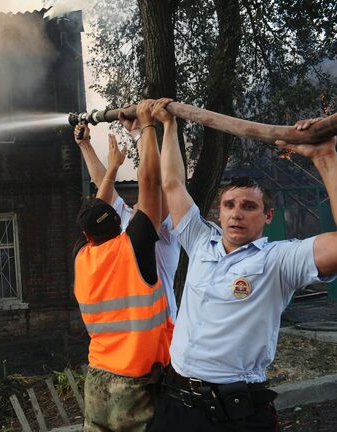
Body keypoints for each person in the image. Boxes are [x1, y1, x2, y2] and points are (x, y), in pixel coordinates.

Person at [148, 98, 337, 431]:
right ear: (218, 212)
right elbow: (173, 184)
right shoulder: (199, 240)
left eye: (249, 206)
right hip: (174, 404)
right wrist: (168, 125)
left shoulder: (279, 260)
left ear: (268, 216)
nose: (236, 213)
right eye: (229, 205)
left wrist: (325, 158)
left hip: (234, 415)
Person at [74, 100, 174, 432]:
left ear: (87, 235)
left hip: (97, 374)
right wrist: (146, 129)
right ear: (118, 222)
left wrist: (88, 147)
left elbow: (99, 203)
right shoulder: (137, 242)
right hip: (138, 373)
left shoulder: (82, 256)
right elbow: (151, 184)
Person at [74, 117, 181, 322]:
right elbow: (152, 181)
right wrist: (140, 133)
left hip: (120, 344)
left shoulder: (86, 255)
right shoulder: (135, 232)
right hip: (154, 338)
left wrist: (86, 147)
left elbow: (101, 193)